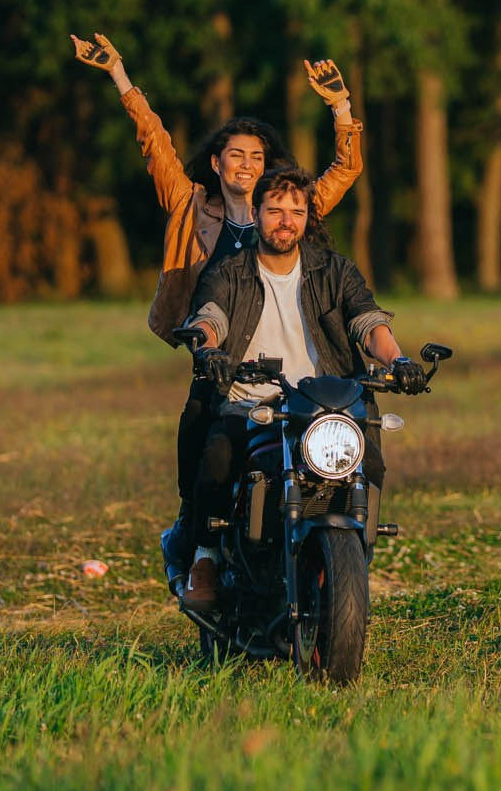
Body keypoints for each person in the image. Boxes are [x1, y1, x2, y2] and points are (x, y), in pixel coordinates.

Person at [70, 32, 366, 578]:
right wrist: (119, 76)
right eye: (236, 156)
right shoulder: (191, 206)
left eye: (257, 157)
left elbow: (344, 171)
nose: (247, 166)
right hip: (221, 365)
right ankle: (197, 543)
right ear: (217, 162)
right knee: (201, 448)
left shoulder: (286, 212)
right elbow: (154, 143)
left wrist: (341, 108)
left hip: (294, 368)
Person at [180, 164, 420, 606]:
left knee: (370, 465)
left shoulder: (335, 270)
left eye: (297, 211)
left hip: (324, 403)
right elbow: (211, 316)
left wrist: (398, 360)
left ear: (308, 218)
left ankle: (350, 558)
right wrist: (209, 349)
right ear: (255, 214)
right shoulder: (229, 271)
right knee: (217, 458)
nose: (286, 221)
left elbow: (368, 321)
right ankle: (206, 556)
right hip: (251, 403)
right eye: (275, 210)